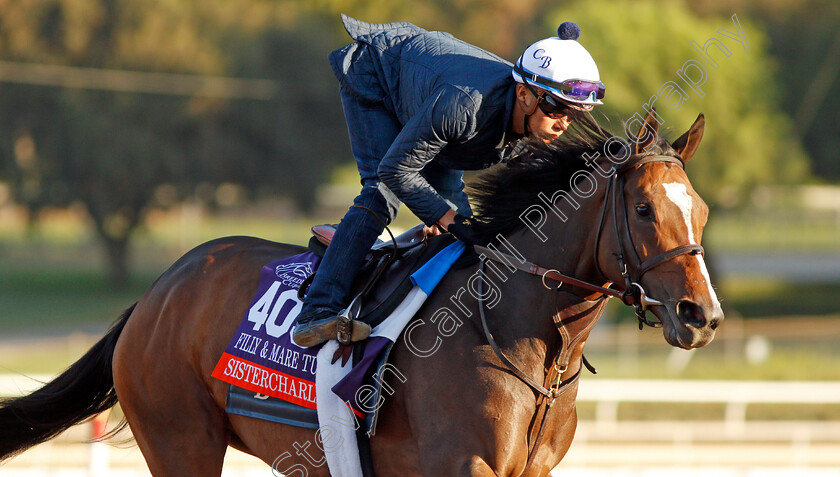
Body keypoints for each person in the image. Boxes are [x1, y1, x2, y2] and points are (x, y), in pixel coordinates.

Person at [292, 14, 606, 347]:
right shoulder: (464, 106)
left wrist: (453, 219)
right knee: (381, 195)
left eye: (575, 113)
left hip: (429, 99)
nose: (564, 124)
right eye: (558, 108)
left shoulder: (526, 121)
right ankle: (318, 310)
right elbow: (395, 170)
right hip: (377, 75)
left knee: (461, 231)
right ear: (525, 95)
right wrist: (447, 218)